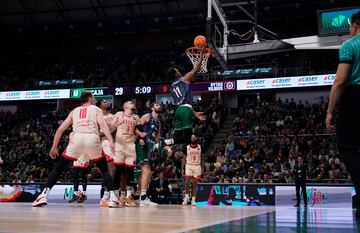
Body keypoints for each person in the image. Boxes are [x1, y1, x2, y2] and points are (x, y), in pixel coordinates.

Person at [32, 91, 120, 208]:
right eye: (93, 98)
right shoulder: (96, 109)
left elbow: (60, 130)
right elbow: (103, 126)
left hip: (77, 138)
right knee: (104, 169)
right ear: (89, 99)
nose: (94, 100)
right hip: (92, 138)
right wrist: (111, 141)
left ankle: (43, 195)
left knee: (58, 169)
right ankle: (113, 198)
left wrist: (54, 147)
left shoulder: (74, 111)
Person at [326, 11, 360, 218]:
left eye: (350, 25)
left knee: (348, 148)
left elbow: (339, 82)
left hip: (356, 97)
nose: (349, 29)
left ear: (356, 25)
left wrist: (330, 112)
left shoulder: (351, 45)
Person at [165, 50, 206, 146]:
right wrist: (201, 53)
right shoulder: (184, 79)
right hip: (186, 110)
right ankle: (166, 142)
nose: (179, 71)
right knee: (188, 138)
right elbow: (197, 67)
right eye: (177, 71)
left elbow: (182, 103)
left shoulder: (171, 87)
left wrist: (194, 113)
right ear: (176, 74)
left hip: (178, 110)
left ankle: (165, 142)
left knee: (177, 137)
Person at [113, 101, 142, 207]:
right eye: (130, 103)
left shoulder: (136, 117)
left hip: (130, 145)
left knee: (130, 171)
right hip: (119, 145)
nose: (133, 103)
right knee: (118, 171)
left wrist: (138, 136)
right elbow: (112, 128)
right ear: (125, 106)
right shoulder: (118, 115)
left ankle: (128, 197)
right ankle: (115, 196)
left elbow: (139, 130)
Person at [135, 102, 162, 206]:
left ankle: (137, 195)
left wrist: (158, 147)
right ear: (152, 107)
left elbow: (157, 137)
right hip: (141, 145)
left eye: (159, 105)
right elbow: (136, 127)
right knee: (146, 169)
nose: (159, 106)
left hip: (149, 147)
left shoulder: (158, 122)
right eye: (157, 105)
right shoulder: (147, 116)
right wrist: (141, 135)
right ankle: (143, 197)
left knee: (146, 172)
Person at [96, 99, 118, 207]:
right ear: (100, 105)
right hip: (104, 143)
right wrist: (106, 131)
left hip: (114, 143)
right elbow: (97, 133)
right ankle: (106, 196)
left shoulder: (113, 116)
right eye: (104, 102)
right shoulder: (97, 117)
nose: (107, 103)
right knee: (111, 168)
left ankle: (108, 195)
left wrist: (110, 130)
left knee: (112, 169)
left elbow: (116, 130)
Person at [182, 135, 204, 206]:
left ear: (197, 138)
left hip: (197, 166)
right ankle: (186, 198)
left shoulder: (200, 147)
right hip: (189, 165)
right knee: (187, 182)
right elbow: (183, 158)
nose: (193, 138)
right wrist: (182, 168)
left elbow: (202, 158)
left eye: (194, 137)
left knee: (195, 184)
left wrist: (202, 168)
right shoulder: (187, 147)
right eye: (192, 137)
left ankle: (193, 200)